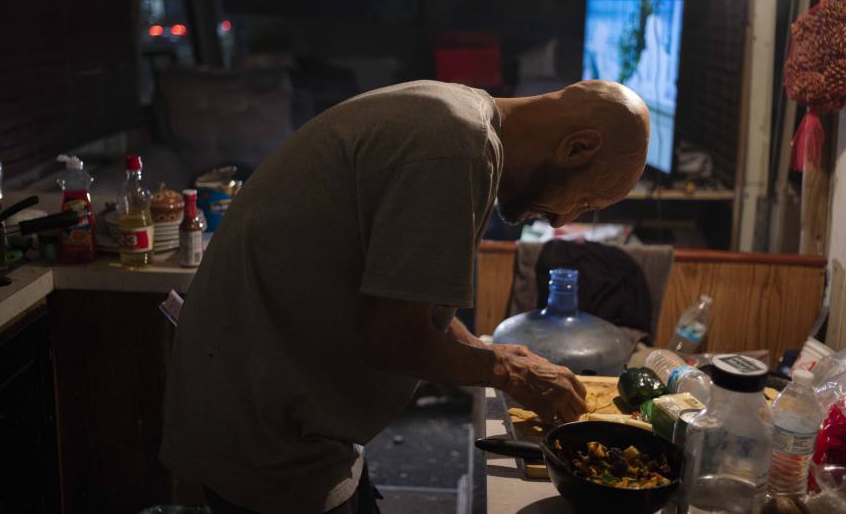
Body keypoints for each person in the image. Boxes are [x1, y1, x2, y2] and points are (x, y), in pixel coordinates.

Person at [161, 79, 650, 514]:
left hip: (285, 413)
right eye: (586, 201)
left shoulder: (455, 116)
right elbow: (393, 338)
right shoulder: (459, 146)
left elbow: (408, 303)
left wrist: (492, 352)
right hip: (269, 435)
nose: (564, 222)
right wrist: (504, 369)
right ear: (577, 147)